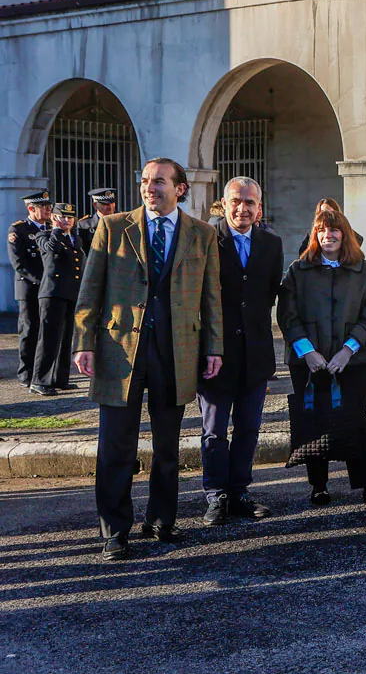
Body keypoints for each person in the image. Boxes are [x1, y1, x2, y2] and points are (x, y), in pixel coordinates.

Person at [74, 158, 223, 561]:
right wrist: (82, 342)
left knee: (167, 447)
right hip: (120, 353)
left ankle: (161, 520)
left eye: (158, 182)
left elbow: (211, 298)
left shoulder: (203, 234)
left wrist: (214, 348)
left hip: (176, 352)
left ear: (180, 189)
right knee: (115, 446)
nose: (148, 188)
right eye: (144, 181)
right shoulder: (113, 227)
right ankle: (114, 531)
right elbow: (91, 289)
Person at [278, 208, 366, 507]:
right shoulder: (297, 271)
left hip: (352, 358)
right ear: (315, 234)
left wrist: (348, 349)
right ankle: (319, 485)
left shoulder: (364, 271)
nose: (328, 235)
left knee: (356, 420)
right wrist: (308, 352)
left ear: (345, 234)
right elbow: (287, 314)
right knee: (314, 420)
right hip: (308, 360)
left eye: (334, 230)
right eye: (322, 230)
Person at [196, 177, 283, 526]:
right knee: (214, 429)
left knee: (249, 428)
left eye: (249, 202)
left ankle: (239, 491)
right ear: (224, 203)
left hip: (256, 351)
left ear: (259, 207)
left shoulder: (272, 243)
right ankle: (216, 495)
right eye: (236, 201)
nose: (242, 208)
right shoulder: (205, 239)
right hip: (216, 354)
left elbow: (270, 294)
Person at [31, 203, 84, 396]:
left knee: (66, 338)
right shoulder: (44, 235)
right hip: (52, 293)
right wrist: (56, 230)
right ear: (54, 218)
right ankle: (39, 380)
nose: (66, 220)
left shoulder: (74, 239)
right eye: (62, 217)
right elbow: (51, 250)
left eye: (70, 217)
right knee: (49, 338)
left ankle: (60, 378)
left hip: (70, 293)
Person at [10, 190, 52, 388]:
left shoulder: (52, 229)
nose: (48, 209)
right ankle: (26, 373)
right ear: (30, 209)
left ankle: (43, 374)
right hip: (29, 288)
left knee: (47, 331)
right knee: (29, 330)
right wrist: (42, 280)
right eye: (43, 207)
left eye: (48, 206)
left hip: (49, 289)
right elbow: (19, 264)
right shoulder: (18, 230)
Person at [298, 198, 363, 256]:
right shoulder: (310, 237)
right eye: (322, 230)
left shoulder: (351, 235)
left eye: (329, 212)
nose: (327, 235)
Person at [76, 188, 117, 254]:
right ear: (95, 205)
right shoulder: (84, 225)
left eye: (112, 203)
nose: (110, 207)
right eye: (105, 204)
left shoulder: (121, 220)